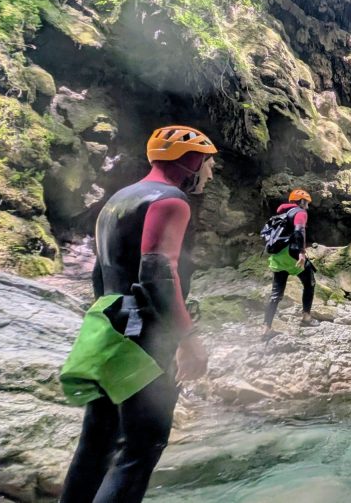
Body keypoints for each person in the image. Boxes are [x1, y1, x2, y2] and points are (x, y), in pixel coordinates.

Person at [60, 125, 217, 503]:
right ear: (190, 159)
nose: (210, 173)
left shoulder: (117, 201)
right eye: (208, 164)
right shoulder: (171, 201)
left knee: (97, 440)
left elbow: (101, 273)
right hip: (146, 334)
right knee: (143, 445)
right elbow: (158, 271)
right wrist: (186, 338)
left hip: (109, 328)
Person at [262, 188, 320, 339]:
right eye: (306, 202)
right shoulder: (300, 212)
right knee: (310, 283)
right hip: (291, 255)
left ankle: (265, 328)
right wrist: (301, 252)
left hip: (277, 257)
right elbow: (299, 231)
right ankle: (306, 317)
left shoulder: (281, 214)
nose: (307, 205)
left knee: (275, 294)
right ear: (301, 202)